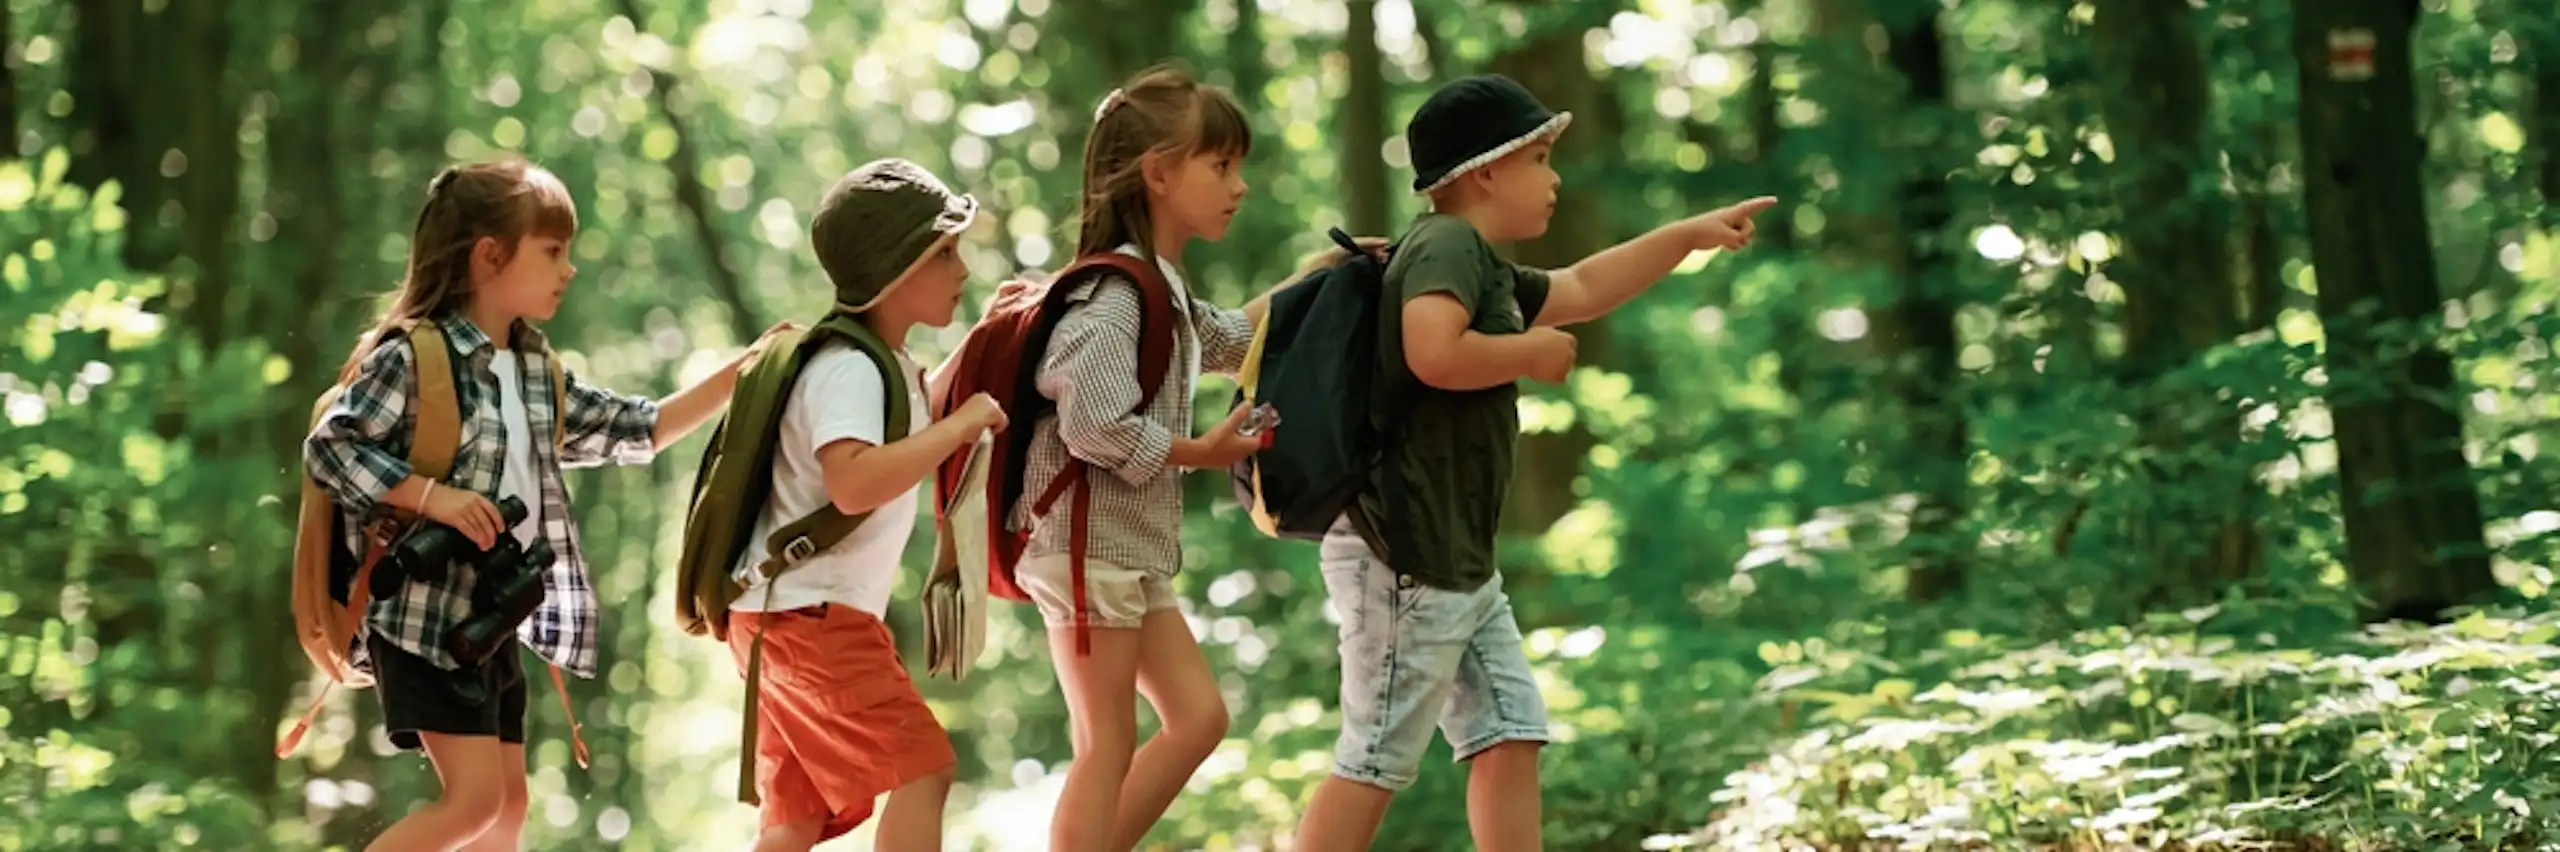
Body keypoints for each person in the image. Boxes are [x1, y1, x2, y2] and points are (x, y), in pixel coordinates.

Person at [1291, 73, 1777, 852]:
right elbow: (1432, 351)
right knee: (1375, 756)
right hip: (1406, 559)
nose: (1554, 179)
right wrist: (1529, 355)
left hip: (1456, 562)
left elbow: (1582, 286)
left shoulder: (1475, 261)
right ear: (1487, 170)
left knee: (1509, 732)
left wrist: (1686, 234)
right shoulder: (1446, 245)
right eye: (1541, 158)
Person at [305, 158, 778, 852]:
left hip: (492, 620)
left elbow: (637, 429)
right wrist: (434, 499)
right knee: (471, 805)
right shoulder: (412, 358)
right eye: (553, 251)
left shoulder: (533, 372)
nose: (569, 268)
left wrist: (747, 371)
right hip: (422, 620)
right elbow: (330, 449)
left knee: (507, 811)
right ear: (490, 256)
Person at [719, 158, 1007, 852]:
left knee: (796, 819)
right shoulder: (849, 369)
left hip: (784, 615)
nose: (961, 269)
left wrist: (986, 334)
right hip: (812, 617)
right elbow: (852, 481)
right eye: (944, 252)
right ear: (895, 268)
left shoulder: (886, 363)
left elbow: (908, 426)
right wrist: (961, 427)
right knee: (924, 771)